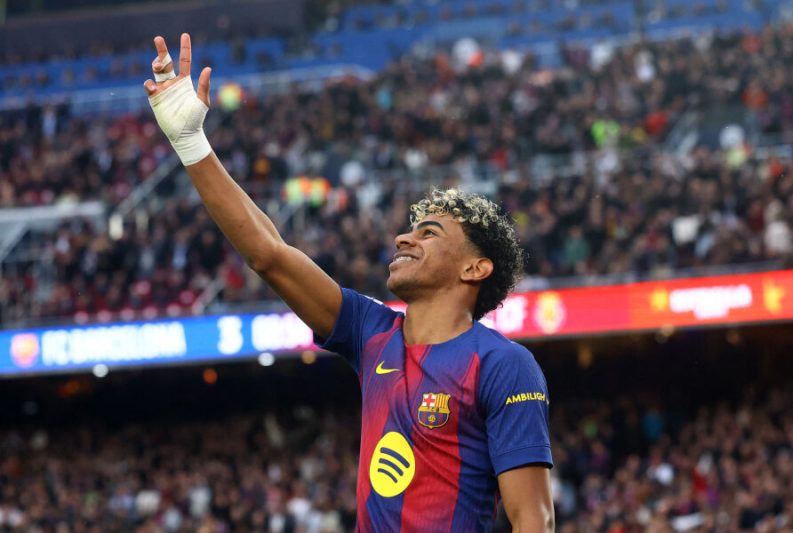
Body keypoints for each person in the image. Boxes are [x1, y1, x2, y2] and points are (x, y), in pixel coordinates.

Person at [144, 33, 555, 532]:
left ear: (475, 268)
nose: (404, 238)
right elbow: (268, 254)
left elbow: (533, 518)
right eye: (410, 229)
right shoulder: (371, 332)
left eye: (429, 232)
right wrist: (191, 143)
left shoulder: (503, 364)